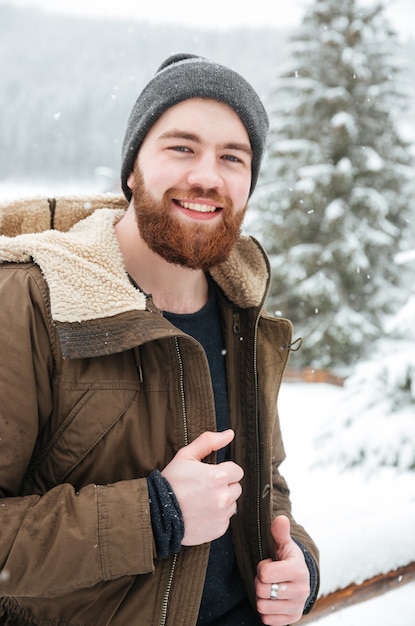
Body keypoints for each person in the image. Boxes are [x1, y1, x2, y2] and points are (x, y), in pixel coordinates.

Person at [0, 53, 319, 626]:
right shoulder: (32, 303)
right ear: (132, 168)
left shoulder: (241, 314)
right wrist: (153, 514)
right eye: (181, 147)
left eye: (232, 157)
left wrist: (298, 564)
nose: (206, 175)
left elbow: (261, 483)